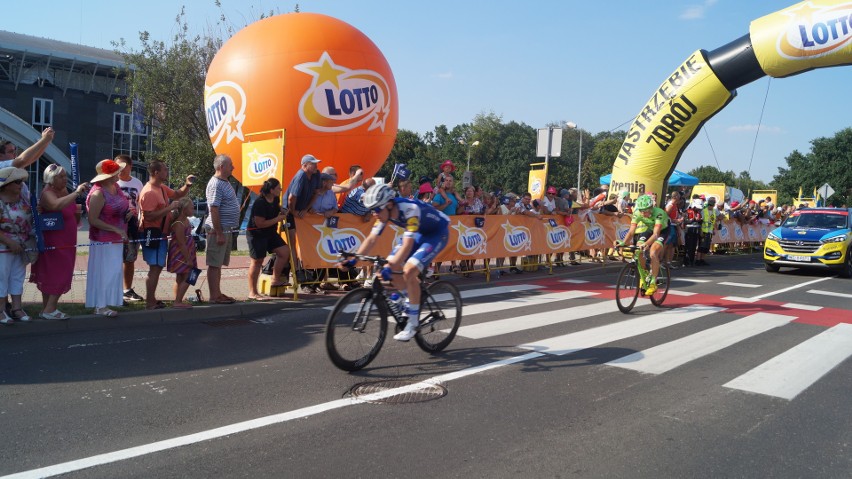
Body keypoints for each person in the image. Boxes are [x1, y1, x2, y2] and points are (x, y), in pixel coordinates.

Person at [343, 183, 450, 341]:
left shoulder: (409, 209)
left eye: (377, 210)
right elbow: (372, 239)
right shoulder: (384, 213)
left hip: (436, 233)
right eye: (372, 210)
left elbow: (407, 245)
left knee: (408, 270)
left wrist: (391, 267)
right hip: (419, 233)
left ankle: (412, 324)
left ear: (389, 204)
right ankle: (409, 297)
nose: (374, 214)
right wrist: (354, 260)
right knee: (388, 268)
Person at [29, 164, 88, 320]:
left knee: (59, 272)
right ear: (51, 178)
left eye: (64, 176)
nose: (64, 179)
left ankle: (47, 309)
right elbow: (56, 205)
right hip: (54, 240)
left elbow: (71, 216)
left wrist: (77, 212)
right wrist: (75, 193)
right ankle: (50, 309)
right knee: (56, 273)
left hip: (67, 238)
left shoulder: (63, 191)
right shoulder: (47, 193)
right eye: (61, 177)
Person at [138, 160, 192, 310]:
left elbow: (177, 194)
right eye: (165, 170)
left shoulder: (161, 188)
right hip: (152, 233)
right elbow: (148, 216)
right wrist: (169, 208)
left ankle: (152, 299)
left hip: (160, 234)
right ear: (156, 172)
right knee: (155, 267)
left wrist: (187, 185)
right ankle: (150, 302)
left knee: (157, 267)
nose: (167, 172)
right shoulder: (149, 192)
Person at [85, 159, 130, 317]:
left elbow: (121, 206)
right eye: (116, 172)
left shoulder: (115, 187)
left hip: (116, 237)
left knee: (113, 272)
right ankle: (100, 305)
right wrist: (115, 229)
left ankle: (107, 302)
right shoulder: (98, 193)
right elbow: (93, 219)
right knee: (104, 272)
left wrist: (128, 213)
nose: (119, 174)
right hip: (103, 240)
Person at [615, 194, 671, 296]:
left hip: (663, 231)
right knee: (638, 249)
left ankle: (653, 281)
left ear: (651, 208)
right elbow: (631, 232)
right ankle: (645, 274)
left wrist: (646, 244)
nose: (642, 213)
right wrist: (623, 242)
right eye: (641, 210)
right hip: (650, 229)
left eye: (645, 210)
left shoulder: (659, 213)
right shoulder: (637, 213)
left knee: (653, 252)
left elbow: (656, 234)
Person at [246, 178, 292, 300]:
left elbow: (276, 207)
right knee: (257, 261)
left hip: (270, 232)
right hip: (257, 233)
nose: (281, 190)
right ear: (271, 190)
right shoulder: (260, 203)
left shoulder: (275, 198)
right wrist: (278, 219)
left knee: (284, 251)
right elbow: (260, 223)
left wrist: (281, 209)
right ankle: (253, 292)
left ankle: (275, 279)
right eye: (278, 188)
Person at [204, 154, 240, 304]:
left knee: (218, 263)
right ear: (221, 167)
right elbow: (214, 209)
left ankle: (218, 293)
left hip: (225, 228)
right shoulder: (216, 184)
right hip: (218, 229)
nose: (233, 167)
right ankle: (214, 296)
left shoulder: (224, 182)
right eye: (230, 165)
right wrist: (219, 233)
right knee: (214, 263)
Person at [0, 167, 34, 323]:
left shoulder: (24, 198)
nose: (21, 184)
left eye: (22, 181)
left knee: (17, 277)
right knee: (2, 277)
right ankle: (1, 311)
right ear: (7, 184)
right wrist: (9, 242)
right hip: (3, 247)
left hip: (22, 245)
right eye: (17, 182)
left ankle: (17, 308)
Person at [115, 154, 145, 304]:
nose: (120, 169)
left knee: (130, 258)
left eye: (123, 166)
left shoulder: (137, 183)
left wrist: (140, 219)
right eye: (117, 166)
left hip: (133, 226)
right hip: (116, 226)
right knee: (115, 258)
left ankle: (127, 290)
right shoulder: (113, 182)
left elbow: (141, 203)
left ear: (130, 166)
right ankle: (115, 290)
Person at [166, 197, 197, 309]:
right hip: (181, 253)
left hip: (187, 251)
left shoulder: (187, 221)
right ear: (184, 209)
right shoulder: (178, 224)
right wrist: (188, 259)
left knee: (181, 277)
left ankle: (178, 299)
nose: (193, 210)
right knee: (189, 276)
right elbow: (181, 243)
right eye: (191, 208)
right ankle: (178, 301)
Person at [695, 197, 720, 266]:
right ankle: (698, 260)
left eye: (712, 205)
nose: (711, 206)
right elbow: (700, 222)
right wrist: (701, 231)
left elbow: (713, 221)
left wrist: (713, 229)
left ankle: (702, 260)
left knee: (706, 247)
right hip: (703, 231)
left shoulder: (714, 211)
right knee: (701, 246)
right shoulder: (704, 211)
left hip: (709, 231)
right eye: (710, 205)